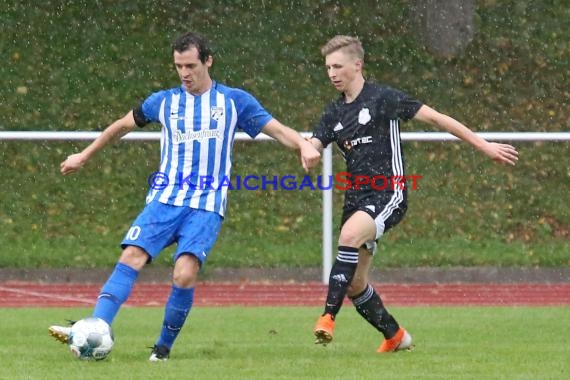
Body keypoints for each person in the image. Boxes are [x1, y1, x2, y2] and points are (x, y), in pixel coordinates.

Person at [48, 31, 320, 361]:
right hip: (164, 199)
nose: (184, 73)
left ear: (208, 61)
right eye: (178, 66)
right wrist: (85, 155)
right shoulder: (163, 101)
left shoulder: (233, 101)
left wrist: (304, 144)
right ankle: (96, 327)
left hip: (206, 205)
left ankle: (161, 350)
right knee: (131, 256)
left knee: (185, 273)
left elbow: (277, 130)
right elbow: (121, 125)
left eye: (191, 65)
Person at [308, 35, 518, 352]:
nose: (332, 73)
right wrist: (307, 151)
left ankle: (327, 318)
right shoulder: (334, 112)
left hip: (387, 193)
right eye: (327, 67)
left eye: (338, 66)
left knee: (348, 237)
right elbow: (314, 142)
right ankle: (395, 336)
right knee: (354, 284)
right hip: (356, 199)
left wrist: (483, 145)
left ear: (357, 64)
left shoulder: (383, 98)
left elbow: (436, 117)